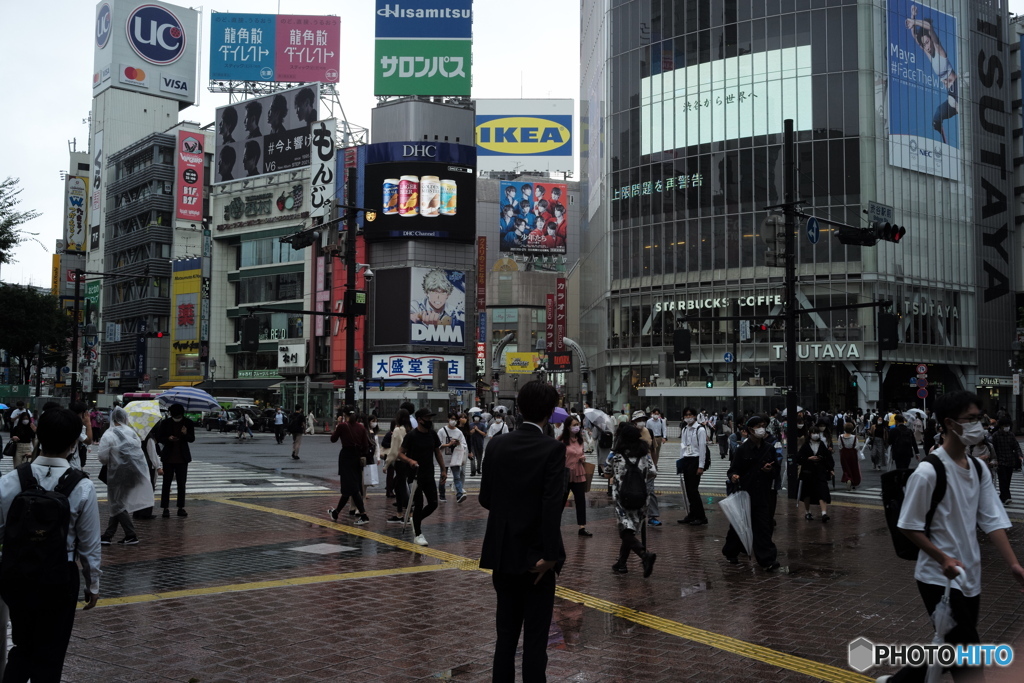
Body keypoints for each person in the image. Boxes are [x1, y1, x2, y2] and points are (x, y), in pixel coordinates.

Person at [881, 392, 1024, 683]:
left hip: (969, 574)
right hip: (937, 577)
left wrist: (1013, 565)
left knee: (951, 651)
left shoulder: (979, 468)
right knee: (968, 661)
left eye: (980, 419)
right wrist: (942, 557)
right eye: (971, 419)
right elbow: (907, 525)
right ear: (949, 423)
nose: (979, 425)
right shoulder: (928, 471)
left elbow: (992, 519)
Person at [0, 407, 101, 682]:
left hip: (17, 575)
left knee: (22, 647)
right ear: (73, 443)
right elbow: (89, 545)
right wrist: (92, 585)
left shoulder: (10, 481)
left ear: (39, 436)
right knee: (51, 653)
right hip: (59, 579)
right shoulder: (82, 487)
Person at [479, 380, 565, 683]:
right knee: (535, 640)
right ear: (551, 412)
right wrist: (551, 556)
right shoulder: (553, 450)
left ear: (519, 407)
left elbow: (485, 498)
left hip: (503, 554)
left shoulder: (498, 444)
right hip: (537, 558)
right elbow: (552, 508)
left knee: (505, 637)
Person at [723, 416, 780, 570]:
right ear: (750, 430)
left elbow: (776, 470)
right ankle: (731, 551)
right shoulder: (742, 449)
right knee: (739, 524)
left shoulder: (769, 448)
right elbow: (733, 470)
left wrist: (770, 470)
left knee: (762, 526)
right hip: (745, 492)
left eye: (763, 426)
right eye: (758, 426)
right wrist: (734, 477)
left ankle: (767, 559)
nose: (761, 429)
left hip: (762, 493)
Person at [605, 423, 658, 578]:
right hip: (642, 497)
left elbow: (607, 471)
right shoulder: (644, 455)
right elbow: (653, 472)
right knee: (630, 530)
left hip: (623, 498)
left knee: (625, 532)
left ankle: (644, 555)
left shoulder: (616, 455)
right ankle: (621, 563)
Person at [904, 3, 958, 145]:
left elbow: (928, 27)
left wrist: (914, 21)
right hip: (950, 93)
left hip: (957, 88)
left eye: (928, 42)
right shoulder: (930, 55)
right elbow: (915, 37)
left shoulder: (939, 49)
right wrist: (912, 17)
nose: (927, 47)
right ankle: (945, 144)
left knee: (955, 104)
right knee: (936, 118)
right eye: (925, 44)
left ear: (931, 40)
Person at [97, 407, 152, 545]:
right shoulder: (132, 432)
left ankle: (131, 535)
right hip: (134, 474)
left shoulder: (108, 434)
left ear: (112, 418)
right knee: (118, 503)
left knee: (117, 503)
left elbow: (103, 458)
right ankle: (108, 535)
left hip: (117, 474)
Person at [397, 408, 447, 546]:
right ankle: (418, 534)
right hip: (415, 476)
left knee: (433, 503)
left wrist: (443, 470)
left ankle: (416, 519)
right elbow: (400, 454)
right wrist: (410, 461)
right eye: (427, 418)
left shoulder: (432, 434)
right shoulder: (411, 436)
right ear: (419, 419)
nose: (430, 421)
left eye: (431, 418)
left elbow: (437, 453)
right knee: (418, 504)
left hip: (429, 474)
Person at [328, 407, 370, 525]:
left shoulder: (342, 426)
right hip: (356, 458)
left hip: (346, 457)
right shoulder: (361, 427)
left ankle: (364, 515)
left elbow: (333, 439)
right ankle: (336, 512)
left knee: (352, 488)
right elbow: (365, 445)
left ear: (344, 415)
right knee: (350, 487)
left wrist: (337, 424)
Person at [157, 403, 195, 518]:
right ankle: (165, 508)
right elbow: (160, 437)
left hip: (182, 458)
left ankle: (181, 507)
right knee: (166, 484)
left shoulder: (188, 423)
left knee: (181, 484)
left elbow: (192, 439)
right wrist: (168, 439)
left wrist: (185, 434)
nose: (177, 418)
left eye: (179, 416)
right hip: (168, 457)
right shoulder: (165, 423)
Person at [677, 406, 710, 525]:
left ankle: (701, 516)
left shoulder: (700, 430)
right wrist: (681, 462)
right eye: (686, 415)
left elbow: (702, 449)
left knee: (693, 490)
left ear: (695, 416)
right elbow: (683, 446)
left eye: (690, 415)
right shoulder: (685, 428)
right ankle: (692, 514)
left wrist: (701, 466)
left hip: (695, 461)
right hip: (687, 460)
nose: (688, 417)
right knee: (689, 490)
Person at [797, 420, 835, 523]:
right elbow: (799, 458)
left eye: (817, 433)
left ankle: (824, 513)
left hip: (820, 471)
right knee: (807, 493)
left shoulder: (822, 444)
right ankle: (807, 512)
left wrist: (830, 469)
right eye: (813, 433)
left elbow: (828, 458)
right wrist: (808, 459)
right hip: (807, 472)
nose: (815, 435)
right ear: (809, 434)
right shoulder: (805, 446)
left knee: (823, 490)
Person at [561, 416, 592, 537]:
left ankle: (582, 527)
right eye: (574, 425)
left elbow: (581, 453)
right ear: (568, 427)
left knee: (580, 501)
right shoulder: (562, 440)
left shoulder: (580, 440)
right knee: (561, 500)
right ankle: (553, 524)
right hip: (565, 474)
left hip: (579, 473)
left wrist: (583, 457)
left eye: (578, 424)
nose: (576, 427)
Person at [385, 408, 414, 523]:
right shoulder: (410, 430)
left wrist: (386, 465)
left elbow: (393, 451)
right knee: (399, 486)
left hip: (399, 462)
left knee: (400, 487)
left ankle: (408, 514)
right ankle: (400, 514)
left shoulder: (397, 430)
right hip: (408, 461)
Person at [438, 412, 468, 503]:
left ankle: (459, 494)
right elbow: (437, 445)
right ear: (448, 419)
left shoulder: (459, 432)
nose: (453, 421)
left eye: (455, 419)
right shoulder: (441, 431)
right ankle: (442, 495)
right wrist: (448, 444)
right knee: (443, 477)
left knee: (457, 476)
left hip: (455, 458)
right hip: (444, 458)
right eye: (452, 419)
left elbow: (464, 444)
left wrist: (458, 444)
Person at [992, 418, 1022, 504]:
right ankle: (1007, 497)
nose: (1006, 427)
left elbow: (1016, 446)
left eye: (1008, 426)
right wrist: (994, 459)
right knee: (1003, 479)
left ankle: (1003, 496)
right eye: (1005, 426)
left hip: (1010, 460)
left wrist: (1020, 455)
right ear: (1001, 426)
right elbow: (993, 448)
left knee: (1008, 480)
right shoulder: (996, 436)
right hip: (1000, 461)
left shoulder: (1011, 435)